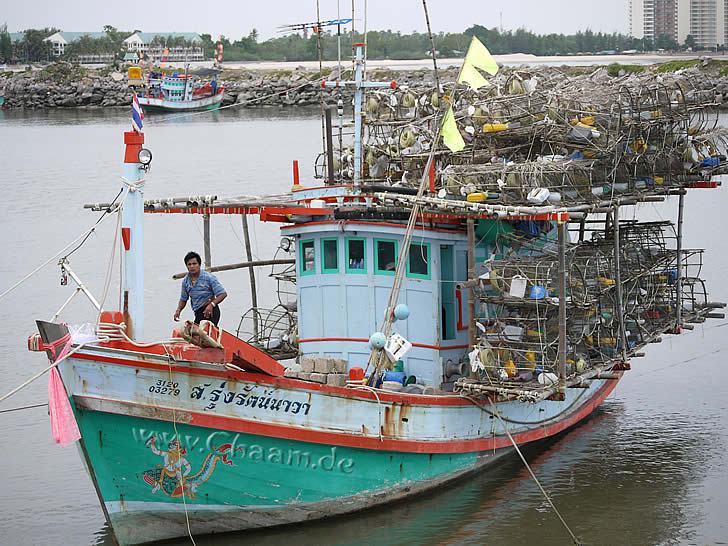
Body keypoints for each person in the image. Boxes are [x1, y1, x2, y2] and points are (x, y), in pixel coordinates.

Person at [173, 251, 227, 326]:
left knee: (205, 334)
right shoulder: (185, 281)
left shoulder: (209, 278)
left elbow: (222, 294)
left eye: (194, 264)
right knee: (194, 333)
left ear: (199, 265)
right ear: (187, 266)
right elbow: (183, 299)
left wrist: (212, 304)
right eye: (189, 264)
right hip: (198, 312)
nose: (192, 266)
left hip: (210, 311)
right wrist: (178, 310)